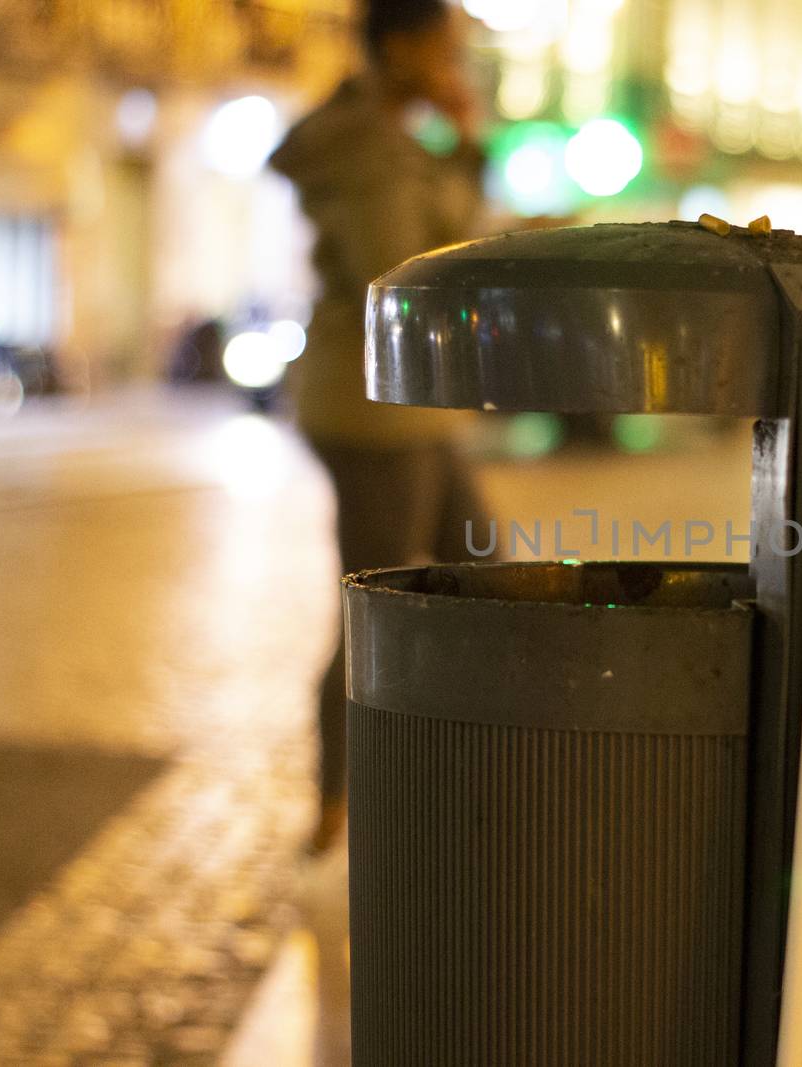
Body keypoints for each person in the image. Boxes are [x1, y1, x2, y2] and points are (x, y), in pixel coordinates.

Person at [269, 0, 493, 852]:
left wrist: (461, 148)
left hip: (406, 406)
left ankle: (446, 762)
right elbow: (405, 270)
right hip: (375, 409)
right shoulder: (367, 147)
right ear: (400, 49)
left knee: (483, 565)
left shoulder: (386, 134)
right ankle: (340, 797)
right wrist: (464, 154)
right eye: (444, 46)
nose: (454, 61)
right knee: (380, 599)